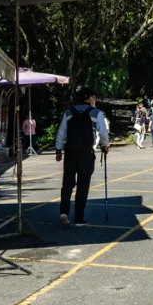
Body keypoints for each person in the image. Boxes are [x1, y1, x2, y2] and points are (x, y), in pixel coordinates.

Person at [55, 87, 110, 227]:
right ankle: (79, 218)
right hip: (87, 153)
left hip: (70, 153)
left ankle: (64, 213)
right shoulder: (96, 113)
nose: (95, 100)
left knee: (67, 183)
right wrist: (105, 146)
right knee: (83, 185)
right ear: (91, 98)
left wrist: (58, 150)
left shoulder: (69, 112)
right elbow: (103, 133)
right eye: (95, 97)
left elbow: (61, 133)